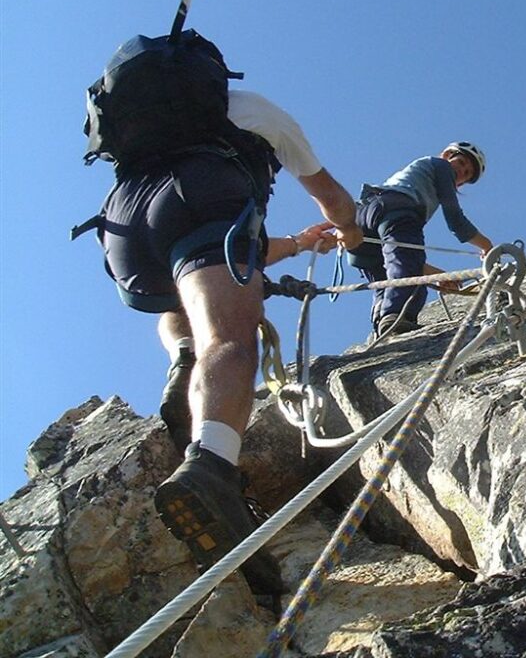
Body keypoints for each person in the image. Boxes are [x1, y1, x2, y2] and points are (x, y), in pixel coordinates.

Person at [96, 88, 362, 596]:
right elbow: (332, 198)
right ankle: (212, 469)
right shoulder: (260, 113)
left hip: (124, 228)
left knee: (186, 299)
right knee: (232, 338)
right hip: (198, 199)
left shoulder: (154, 123)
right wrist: (350, 231)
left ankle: (184, 359)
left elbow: (244, 250)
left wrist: (302, 244)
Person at [347, 142, 493, 337]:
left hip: (363, 220)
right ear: (448, 155)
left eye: (466, 174)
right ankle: (396, 318)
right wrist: (488, 247)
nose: (461, 171)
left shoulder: (416, 174)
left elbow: (398, 258)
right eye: (461, 162)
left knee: (389, 280)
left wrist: (438, 275)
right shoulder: (441, 166)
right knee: (412, 280)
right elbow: (455, 220)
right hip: (397, 209)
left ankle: (382, 329)